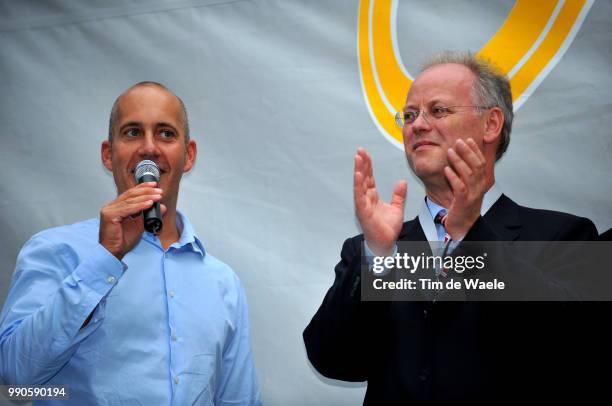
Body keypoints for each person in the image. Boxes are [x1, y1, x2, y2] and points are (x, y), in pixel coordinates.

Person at [303, 52, 602, 404]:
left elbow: (577, 351)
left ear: (491, 124)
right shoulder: (371, 250)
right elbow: (332, 359)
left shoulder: (567, 236)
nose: (417, 125)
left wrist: (472, 235)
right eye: (410, 115)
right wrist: (378, 257)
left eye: (438, 110)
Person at [0, 82, 261, 405]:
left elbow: (238, 399)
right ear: (109, 155)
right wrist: (104, 260)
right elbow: (16, 377)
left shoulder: (223, 282)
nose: (149, 148)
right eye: (133, 132)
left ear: (188, 155)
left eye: (166, 133)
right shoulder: (55, 251)